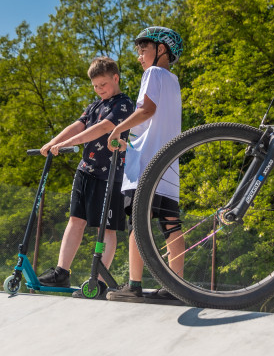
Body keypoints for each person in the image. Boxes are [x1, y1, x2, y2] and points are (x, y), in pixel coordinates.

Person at [36, 57, 135, 289]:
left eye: (104, 84)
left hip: (111, 174)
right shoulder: (94, 105)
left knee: (108, 228)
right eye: (95, 86)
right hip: (86, 170)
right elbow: (79, 124)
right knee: (75, 220)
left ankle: (99, 282)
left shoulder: (123, 104)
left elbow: (100, 129)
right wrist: (53, 142)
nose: (100, 90)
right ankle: (62, 271)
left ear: (116, 78)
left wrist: (67, 144)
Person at [106, 27, 185, 303]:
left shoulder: (152, 74)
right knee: (171, 225)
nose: (139, 57)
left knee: (137, 225)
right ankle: (176, 285)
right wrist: (133, 143)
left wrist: (118, 130)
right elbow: (158, 124)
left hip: (147, 168)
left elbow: (146, 111)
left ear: (161, 49)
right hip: (168, 166)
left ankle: (134, 284)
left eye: (143, 49)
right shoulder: (173, 81)